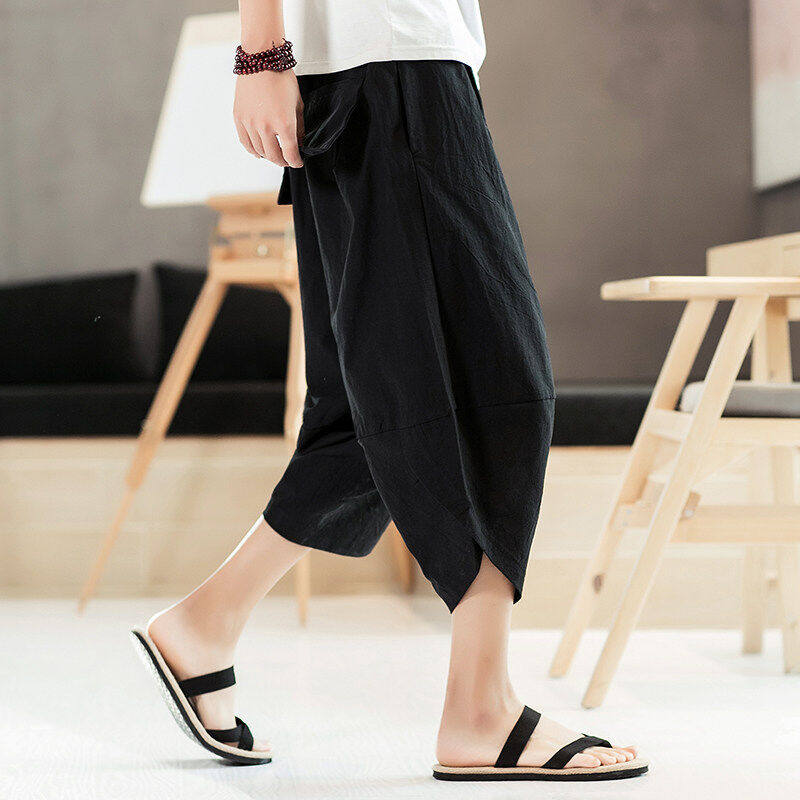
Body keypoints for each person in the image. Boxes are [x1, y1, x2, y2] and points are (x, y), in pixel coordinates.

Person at [132, 0, 646, 782]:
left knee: (369, 411)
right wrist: (261, 54)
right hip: (392, 63)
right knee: (495, 389)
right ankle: (481, 710)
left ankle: (205, 625)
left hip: (388, 68)